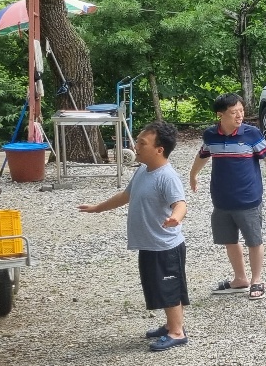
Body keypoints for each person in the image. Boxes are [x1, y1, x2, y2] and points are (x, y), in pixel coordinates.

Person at [78, 122, 191, 352]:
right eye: (137, 141)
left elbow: (180, 203)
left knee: (169, 288)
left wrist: (176, 218)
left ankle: (177, 332)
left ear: (159, 150)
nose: (135, 146)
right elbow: (125, 195)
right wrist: (98, 208)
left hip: (165, 246)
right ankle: (171, 324)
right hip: (149, 244)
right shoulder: (142, 170)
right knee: (158, 286)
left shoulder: (167, 176)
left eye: (142, 143)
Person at [188, 93, 266, 301]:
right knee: (229, 240)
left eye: (241, 111)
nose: (239, 116)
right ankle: (240, 279)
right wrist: (193, 174)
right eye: (234, 112)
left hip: (248, 198)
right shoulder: (210, 135)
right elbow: (203, 155)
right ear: (220, 115)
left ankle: (257, 280)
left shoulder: (251, 133)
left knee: (254, 240)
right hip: (221, 198)